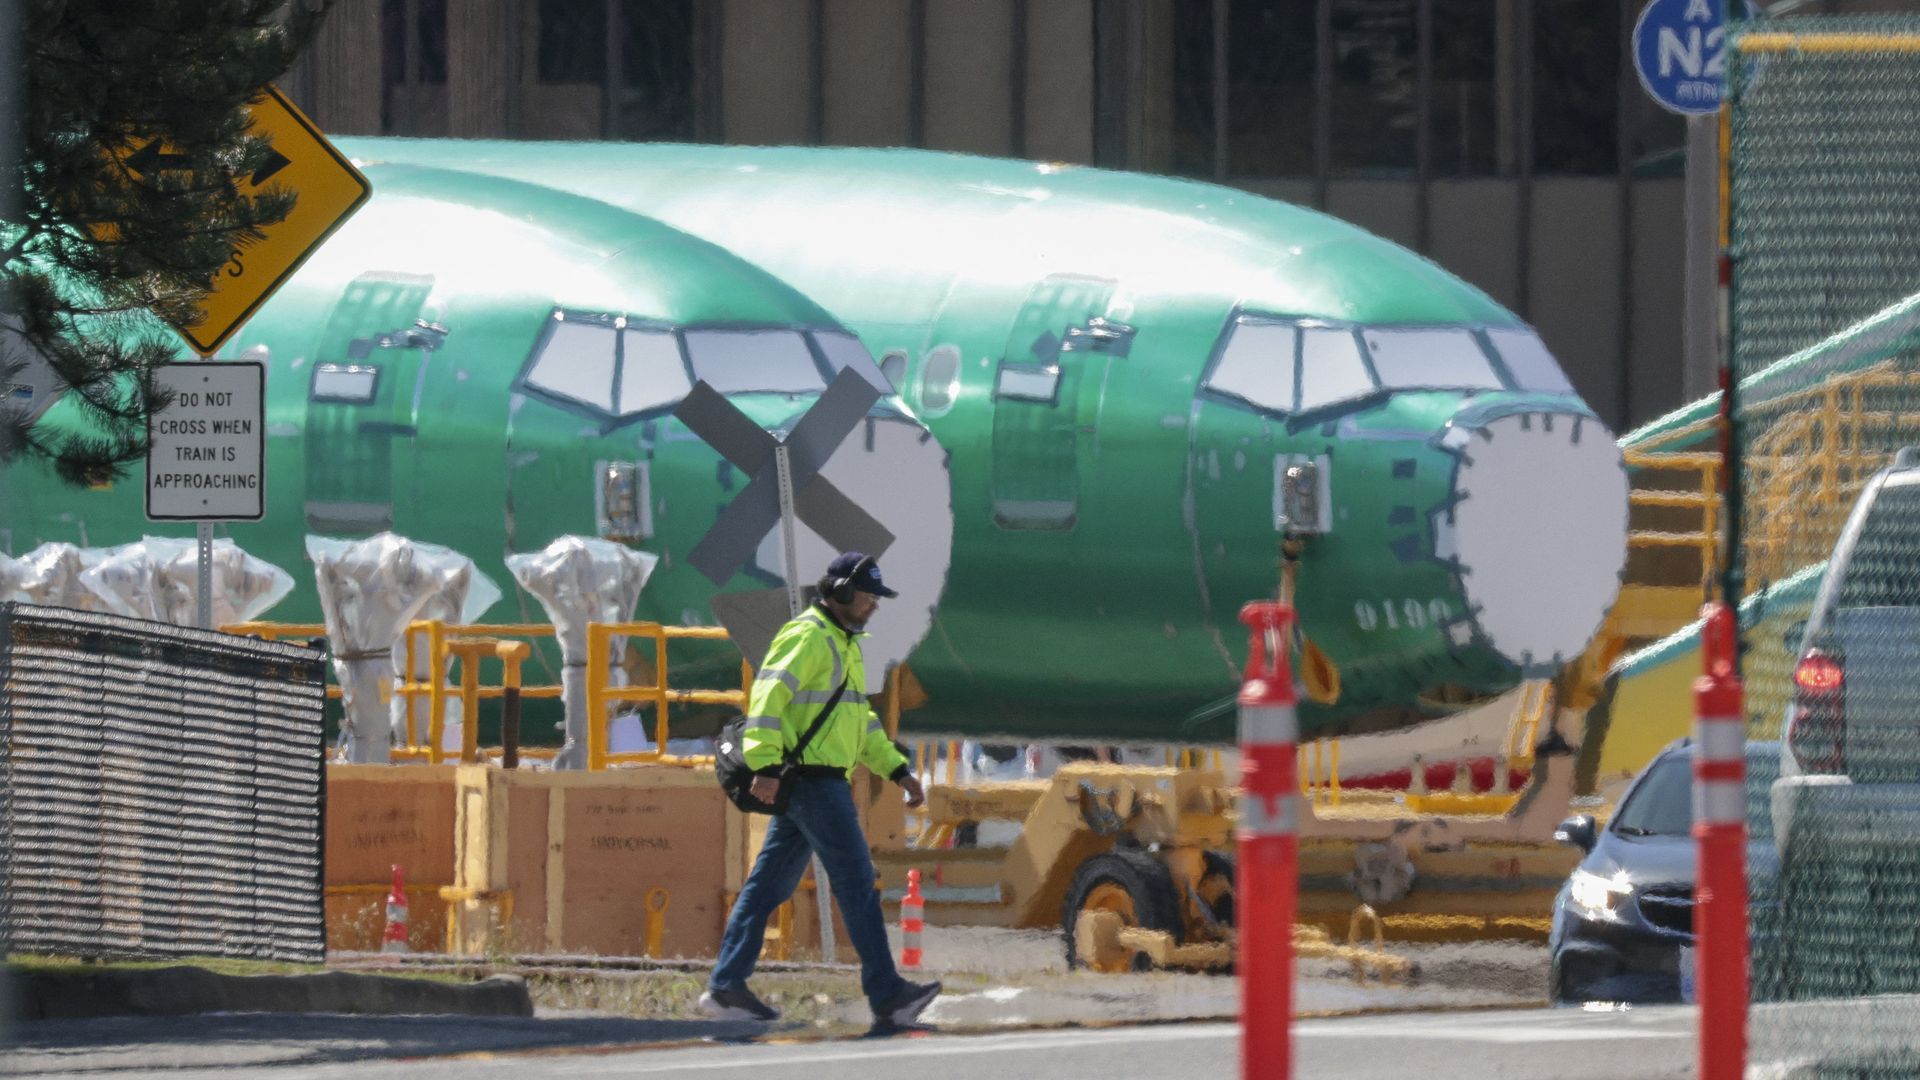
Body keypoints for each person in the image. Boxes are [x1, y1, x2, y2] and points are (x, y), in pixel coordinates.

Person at [700, 551, 942, 1028]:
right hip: (813, 783)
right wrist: (766, 765)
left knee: (768, 885)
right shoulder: (809, 636)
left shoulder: (842, 644)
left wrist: (897, 770)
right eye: (868, 596)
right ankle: (888, 994)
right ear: (842, 593)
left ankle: (727, 986)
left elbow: (858, 723)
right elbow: (767, 698)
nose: (873, 605)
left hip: (814, 782)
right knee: (856, 884)